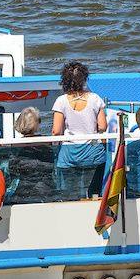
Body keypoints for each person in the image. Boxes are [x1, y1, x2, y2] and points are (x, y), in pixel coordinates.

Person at [51, 61, 110, 197]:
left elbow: (56, 131)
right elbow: (102, 126)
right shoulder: (95, 98)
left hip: (69, 154)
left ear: (65, 80)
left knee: (70, 194)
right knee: (94, 193)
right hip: (93, 152)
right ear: (84, 79)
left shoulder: (61, 101)